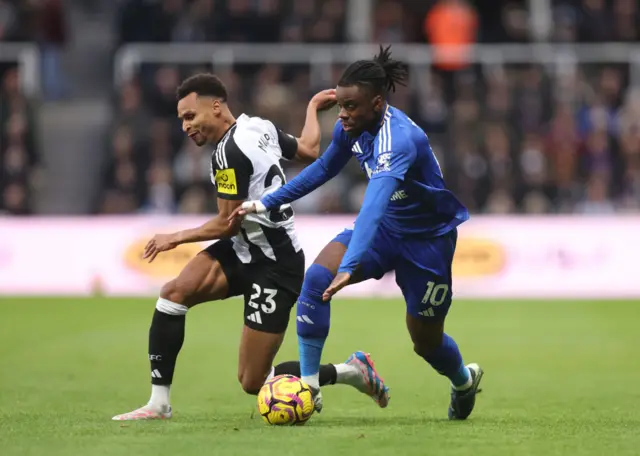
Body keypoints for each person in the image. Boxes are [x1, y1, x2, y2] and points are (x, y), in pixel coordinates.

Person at [112, 73, 389, 421]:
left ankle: (350, 371)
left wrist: (175, 236)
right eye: (182, 119)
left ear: (216, 107)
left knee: (252, 380)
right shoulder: (258, 127)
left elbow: (228, 221)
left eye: (190, 116)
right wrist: (313, 108)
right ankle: (158, 404)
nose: (185, 126)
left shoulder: (228, 152)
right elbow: (308, 149)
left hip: (275, 263)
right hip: (242, 249)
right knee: (173, 294)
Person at [233, 46, 483, 420]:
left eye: (351, 107)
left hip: (427, 243)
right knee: (316, 280)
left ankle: (464, 381)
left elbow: (373, 206)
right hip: (385, 231)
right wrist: (268, 202)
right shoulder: (352, 127)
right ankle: (309, 389)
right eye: (341, 106)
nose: (343, 115)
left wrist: (351, 265)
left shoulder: (397, 140)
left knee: (425, 342)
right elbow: (322, 170)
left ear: (378, 103)